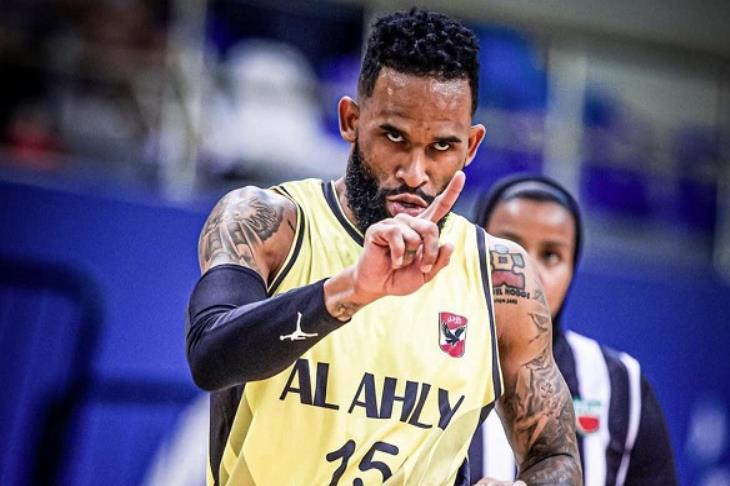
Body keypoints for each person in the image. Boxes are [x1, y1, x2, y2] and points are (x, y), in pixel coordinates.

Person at [185, 9, 581, 485]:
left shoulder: (499, 278)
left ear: (472, 146)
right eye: (394, 137)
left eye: (441, 147)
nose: (414, 173)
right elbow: (210, 355)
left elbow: (556, 457)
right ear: (351, 120)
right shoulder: (270, 222)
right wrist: (349, 292)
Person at [469, 174, 677, 485]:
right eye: (509, 250)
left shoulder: (621, 384)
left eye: (551, 255)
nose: (529, 271)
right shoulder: (424, 358)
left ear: (572, 269)